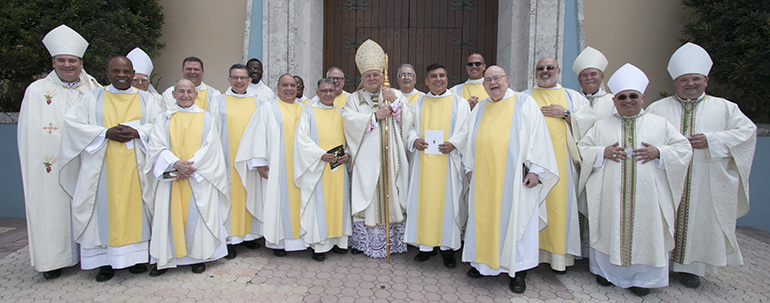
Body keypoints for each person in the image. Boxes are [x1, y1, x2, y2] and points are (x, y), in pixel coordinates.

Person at [646, 42, 757, 289]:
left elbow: (747, 133)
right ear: (675, 82)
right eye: (684, 79)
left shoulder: (726, 108)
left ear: (706, 80)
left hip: (706, 178)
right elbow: (647, 139)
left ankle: (690, 269)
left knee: (699, 220)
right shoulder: (657, 109)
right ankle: (660, 263)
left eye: (695, 79)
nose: (690, 84)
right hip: (668, 177)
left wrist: (713, 140)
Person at [578, 63, 692, 296]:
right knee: (610, 225)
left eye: (633, 96)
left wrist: (660, 152)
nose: (627, 100)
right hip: (610, 192)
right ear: (614, 100)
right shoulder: (601, 126)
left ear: (642, 97)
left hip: (649, 195)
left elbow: (683, 148)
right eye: (622, 97)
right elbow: (583, 148)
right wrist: (602, 152)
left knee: (647, 231)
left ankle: (644, 279)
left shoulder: (659, 124)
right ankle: (607, 273)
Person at [59, 56, 162, 282]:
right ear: (108, 72)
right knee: (102, 211)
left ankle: (134, 260)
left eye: (126, 71)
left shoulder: (148, 99)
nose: (121, 75)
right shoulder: (91, 98)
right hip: (101, 168)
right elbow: (73, 125)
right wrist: (105, 133)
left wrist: (138, 133)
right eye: (116, 71)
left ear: (132, 72)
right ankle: (103, 262)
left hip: (137, 166)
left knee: (136, 209)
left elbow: (160, 125)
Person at [462, 65, 559, 293]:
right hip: (484, 178)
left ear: (506, 79)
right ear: (483, 85)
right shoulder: (480, 108)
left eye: (497, 78)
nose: (493, 83)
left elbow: (539, 138)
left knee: (517, 223)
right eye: (488, 80)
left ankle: (518, 272)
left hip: (517, 179)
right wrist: (469, 167)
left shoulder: (524, 104)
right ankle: (482, 264)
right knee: (483, 220)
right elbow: (469, 139)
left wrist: (535, 171)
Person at [17, 24, 101, 280]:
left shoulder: (94, 89)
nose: (67, 65)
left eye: (72, 60)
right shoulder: (36, 91)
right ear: (53, 62)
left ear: (80, 62)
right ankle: (53, 260)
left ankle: (91, 256)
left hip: (85, 160)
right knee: (51, 207)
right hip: (50, 163)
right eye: (62, 60)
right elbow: (29, 133)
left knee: (90, 204)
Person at [146, 79, 229, 276]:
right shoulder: (164, 118)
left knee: (197, 218)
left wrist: (189, 167)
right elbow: (156, 146)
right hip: (172, 177)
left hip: (197, 176)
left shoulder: (207, 118)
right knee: (168, 217)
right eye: (181, 92)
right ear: (173, 94)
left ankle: (198, 258)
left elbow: (212, 149)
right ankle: (166, 259)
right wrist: (175, 164)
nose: (185, 95)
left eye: (189, 92)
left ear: (195, 94)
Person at [521, 57, 595, 273]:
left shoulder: (573, 98)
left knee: (559, 207)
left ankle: (558, 259)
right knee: (532, 208)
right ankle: (530, 255)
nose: (545, 71)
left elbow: (590, 123)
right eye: (540, 68)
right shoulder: (524, 97)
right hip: (532, 163)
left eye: (550, 68)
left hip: (562, 163)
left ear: (558, 71)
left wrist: (565, 114)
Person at [342, 39, 413, 258]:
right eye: (368, 76)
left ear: (383, 76)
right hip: (366, 160)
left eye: (376, 74)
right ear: (362, 79)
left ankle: (393, 241)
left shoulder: (395, 94)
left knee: (392, 191)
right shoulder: (353, 99)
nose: (372, 79)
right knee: (369, 195)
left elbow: (408, 122)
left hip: (391, 158)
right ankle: (367, 243)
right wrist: (374, 117)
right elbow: (348, 121)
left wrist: (395, 104)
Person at [404, 63, 470, 268]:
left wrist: (454, 143)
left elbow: (467, 130)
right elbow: (409, 129)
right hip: (423, 164)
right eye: (433, 76)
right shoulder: (418, 104)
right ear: (426, 81)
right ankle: (426, 247)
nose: (438, 79)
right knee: (423, 203)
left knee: (448, 204)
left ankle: (447, 248)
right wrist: (414, 140)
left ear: (447, 79)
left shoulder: (460, 104)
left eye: (442, 75)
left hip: (448, 163)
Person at [234, 74, 307, 257]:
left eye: (292, 85)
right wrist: (260, 162)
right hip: (275, 167)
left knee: (301, 202)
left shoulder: (305, 109)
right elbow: (258, 134)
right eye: (285, 85)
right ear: (278, 87)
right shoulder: (267, 108)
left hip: (301, 167)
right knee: (276, 201)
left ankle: (299, 241)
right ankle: (278, 242)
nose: (289, 89)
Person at [209, 64, 264, 259]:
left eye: (243, 78)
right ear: (229, 80)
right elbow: (212, 130)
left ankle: (250, 235)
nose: (239, 81)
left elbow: (261, 131)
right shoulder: (218, 102)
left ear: (250, 81)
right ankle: (231, 239)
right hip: (226, 158)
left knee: (251, 192)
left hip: (249, 160)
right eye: (235, 77)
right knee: (230, 196)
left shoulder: (257, 102)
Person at [293, 78, 352, 261]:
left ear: (336, 92)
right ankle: (319, 245)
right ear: (317, 93)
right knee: (319, 206)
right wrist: (319, 155)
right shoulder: (308, 113)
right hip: (318, 168)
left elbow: (352, 139)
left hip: (338, 169)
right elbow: (301, 140)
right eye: (324, 91)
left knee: (339, 203)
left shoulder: (343, 113)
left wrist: (348, 154)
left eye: (331, 91)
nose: (328, 94)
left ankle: (339, 241)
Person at [572, 46, 615, 120]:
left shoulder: (612, 101)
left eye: (593, 74)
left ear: (601, 77)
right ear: (579, 79)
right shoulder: (574, 100)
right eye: (584, 75)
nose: (589, 78)